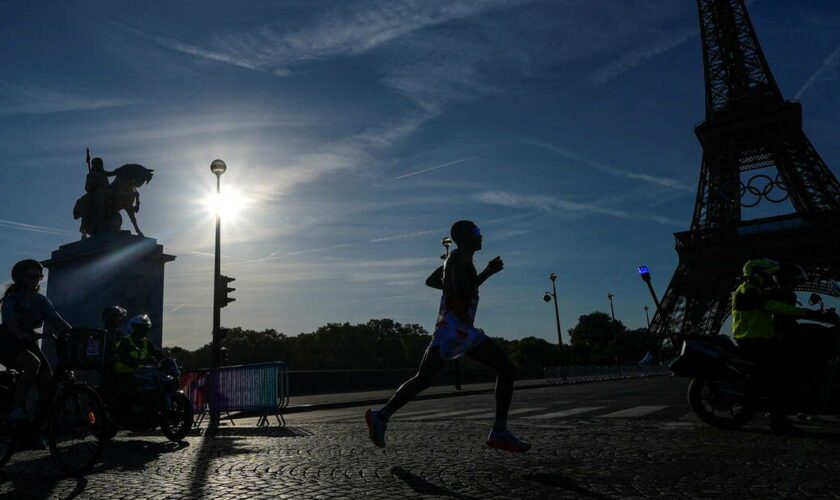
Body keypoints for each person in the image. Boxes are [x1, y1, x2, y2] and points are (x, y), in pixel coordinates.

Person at [365, 220, 530, 452]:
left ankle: (381, 416)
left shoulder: (455, 260)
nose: (481, 236)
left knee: (423, 379)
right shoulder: (458, 258)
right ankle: (499, 431)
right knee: (505, 368)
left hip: (453, 327)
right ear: (464, 237)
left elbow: (432, 281)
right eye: (477, 232)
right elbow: (463, 290)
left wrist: (451, 286)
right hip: (456, 329)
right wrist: (488, 273)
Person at [732, 258, 838, 428]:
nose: (773, 278)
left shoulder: (758, 289)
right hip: (752, 340)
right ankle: (778, 420)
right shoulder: (748, 290)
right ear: (757, 274)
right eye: (770, 274)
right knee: (780, 375)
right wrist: (811, 314)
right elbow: (775, 307)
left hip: (762, 338)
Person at [0, 260, 71, 422]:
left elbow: (57, 320)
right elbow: (10, 323)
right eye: (31, 277)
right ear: (20, 279)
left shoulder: (40, 300)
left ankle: (38, 424)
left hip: (28, 342)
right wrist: (21, 334)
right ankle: (16, 409)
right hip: (7, 342)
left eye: (38, 277)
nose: (36, 280)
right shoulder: (11, 300)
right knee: (33, 364)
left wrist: (75, 333)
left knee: (47, 381)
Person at [100, 305, 127, 398]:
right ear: (111, 318)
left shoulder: (118, 333)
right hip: (108, 370)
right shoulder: (104, 334)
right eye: (118, 316)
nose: (120, 319)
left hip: (118, 369)